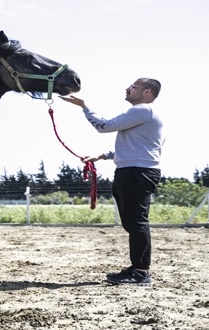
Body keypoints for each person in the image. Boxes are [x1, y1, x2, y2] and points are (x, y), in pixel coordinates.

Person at [59, 78, 164, 286]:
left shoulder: (142, 111)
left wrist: (84, 107)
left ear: (147, 92)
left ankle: (141, 273)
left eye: (133, 86)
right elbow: (138, 147)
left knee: (136, 222)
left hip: (136, 173)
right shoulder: (145, 116)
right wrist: (103, 156)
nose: (127, 88)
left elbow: (104, 126)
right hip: (132, 171)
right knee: (132, 222)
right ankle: (137, 268)